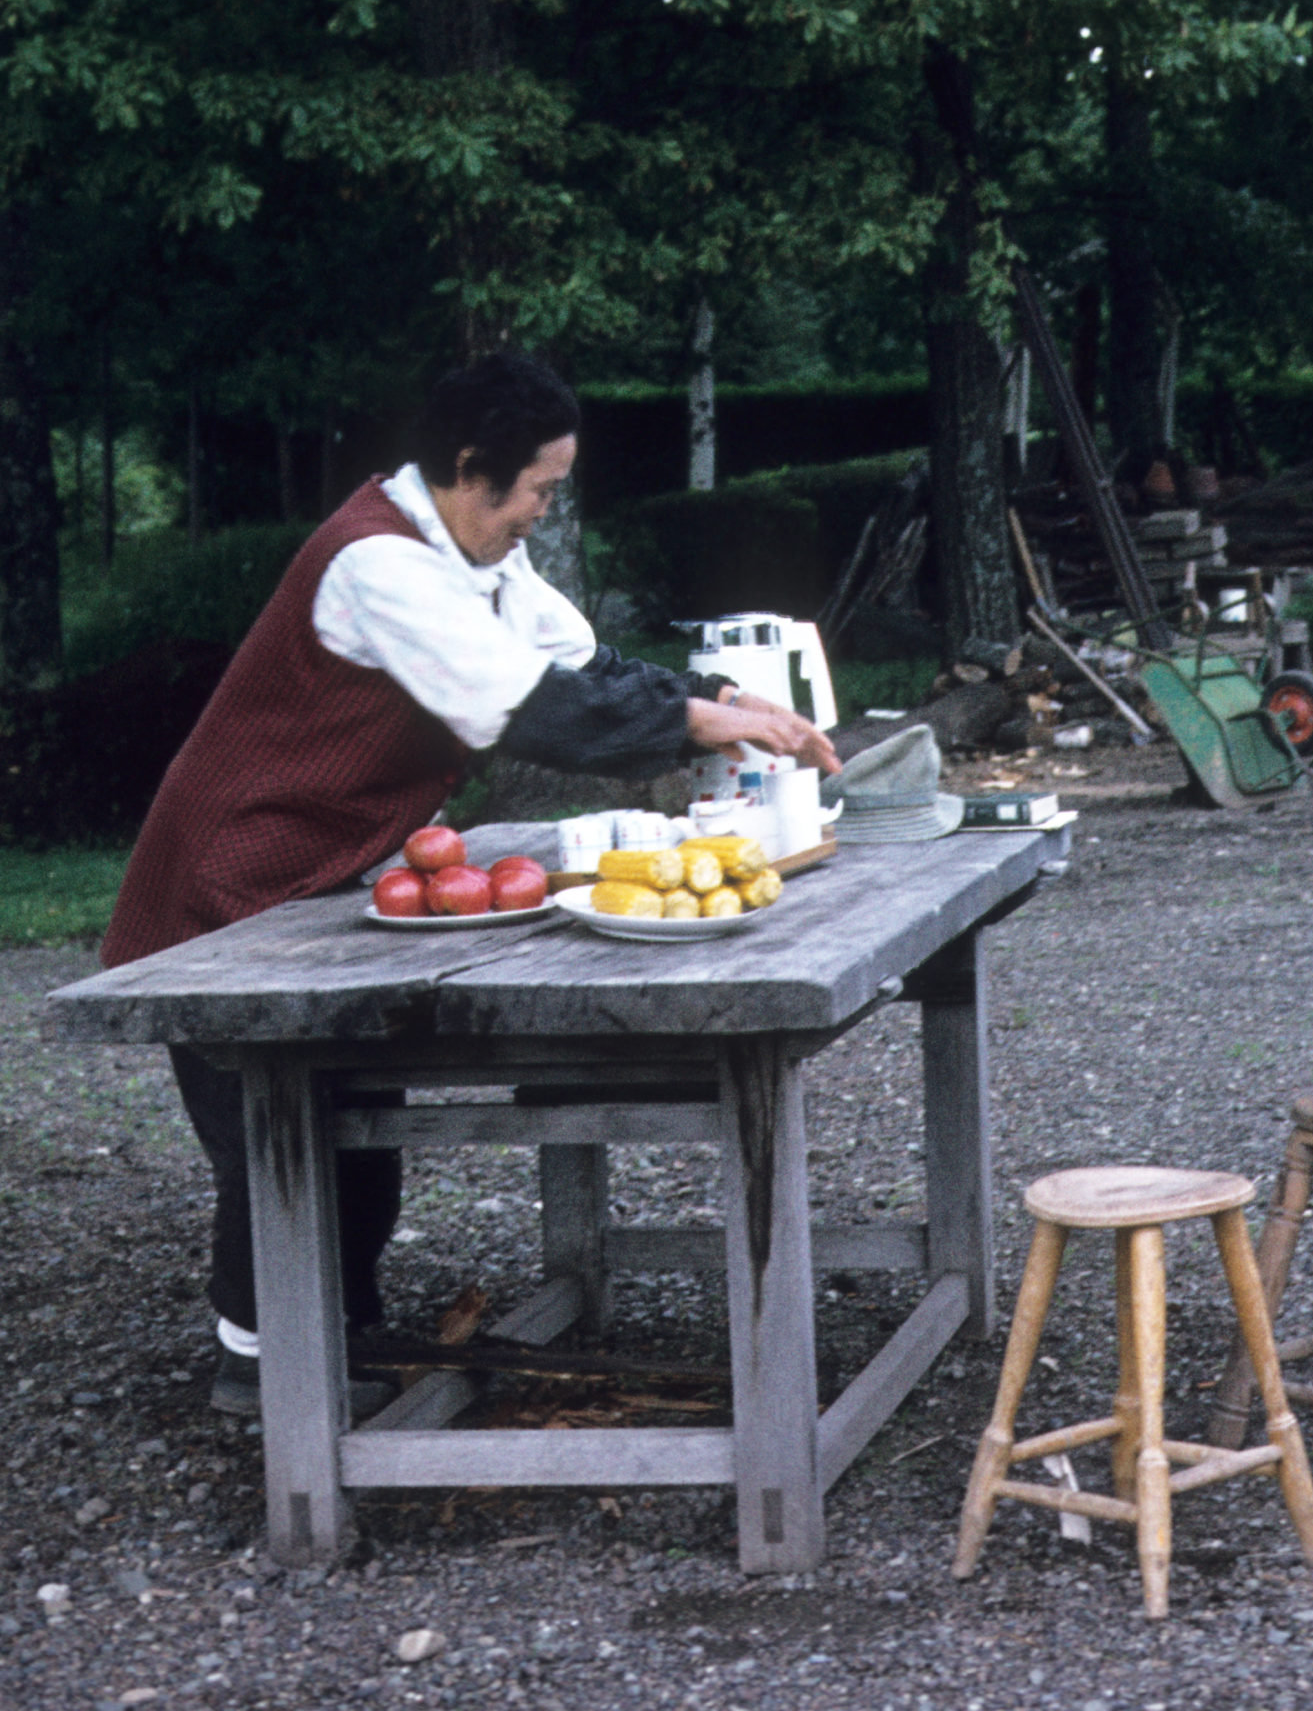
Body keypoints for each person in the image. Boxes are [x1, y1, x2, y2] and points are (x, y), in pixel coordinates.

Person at [100, 352, 837, 1418]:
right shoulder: (376, 565)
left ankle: (332, 1335)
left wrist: (722, 695)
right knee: (274, 1118)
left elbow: (581, 666)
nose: (542, 510)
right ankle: (259, 1363)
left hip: (329, 862)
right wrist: (697, 721)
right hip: (235, 869)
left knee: (350, 1111)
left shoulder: (476, 559)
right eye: (537, 487)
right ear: (465, 467)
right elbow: (530, 710)